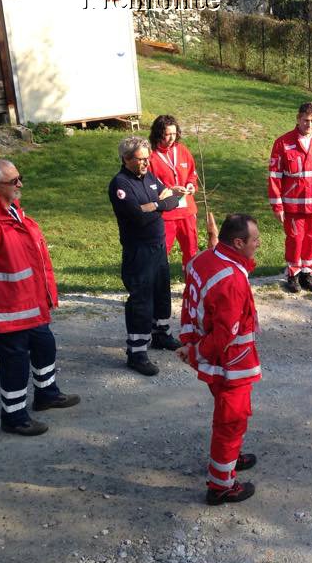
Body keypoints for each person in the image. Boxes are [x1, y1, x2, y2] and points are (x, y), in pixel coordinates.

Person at [0, 159, 79, 436]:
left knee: (45, 345)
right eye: (14, 181)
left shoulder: (11, 212)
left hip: (30, 304)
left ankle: (47, 394)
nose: (20, 184)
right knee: (15, 362)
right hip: (6, 310)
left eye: (19, 178)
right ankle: (13, 416)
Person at [177, 214, 262, 505]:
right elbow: (226, 333)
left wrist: (189, 343)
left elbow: (189, 300)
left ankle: (230, 458)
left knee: (227, 416)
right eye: (255, 240)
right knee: (231, 421)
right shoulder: (233, 280)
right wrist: (195, 351)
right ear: (238, 243)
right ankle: (221, 485)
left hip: (212, 359)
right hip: (231, 364)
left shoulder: (204, 259)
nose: (259, 244)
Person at [108, 136, 182, 376]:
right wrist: (158, 204)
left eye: (147, 159)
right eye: (140, 160)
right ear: (126, 159)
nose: (145, 164)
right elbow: (136, 216)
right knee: (141, 300)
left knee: (162, 292)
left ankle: (161, 334)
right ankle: (137, 352)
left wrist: (153, 205)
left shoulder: (149, 176)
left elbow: (172, 199)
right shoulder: (120, 184)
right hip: (138, 250)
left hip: (158, 246)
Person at [267, 102, 312, 293]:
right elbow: (274, 177)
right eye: (306, 120)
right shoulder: (283, 142)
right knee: (295, 239)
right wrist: (277, 206)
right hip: (293, 204)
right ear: (298, 119)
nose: (309, 125)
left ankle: (307, 273)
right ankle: (293, 275)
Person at [148, 114, 201, 271]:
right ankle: (158, 289)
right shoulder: (150, 156)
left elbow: (192, 173)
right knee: (161, 253)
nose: (171, 138)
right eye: (167, 134)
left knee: (191, 252)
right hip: (166, 215)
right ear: (159, 133)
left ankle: (191, 288)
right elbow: (149, 186)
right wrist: (170, 190)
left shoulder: (182, 151)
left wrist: (191, 185)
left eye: (174, 133)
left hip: (187, 212)